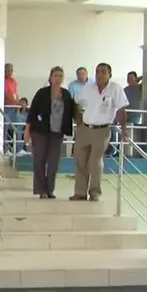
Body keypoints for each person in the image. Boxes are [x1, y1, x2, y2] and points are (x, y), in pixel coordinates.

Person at [71, 62, 129, 201]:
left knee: (95, 162)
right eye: (97, 72)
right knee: (80, 161)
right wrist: (78, 120)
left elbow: (121, 109)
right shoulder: (88, 88)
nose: (99, 75)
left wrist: (124, 128)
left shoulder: (115, 88)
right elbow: (76, 102)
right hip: (85, 128)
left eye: (103, 72)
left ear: (110, 74)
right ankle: (80, 192)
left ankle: (95, 192)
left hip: (102, 130)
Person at [24, 67, 77, 199]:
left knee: (54, 162)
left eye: (60, 76)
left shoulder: (66, 94)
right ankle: (41, 189)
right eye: (56, 75)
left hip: (57, 133)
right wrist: (27, 131)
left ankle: (50, 189)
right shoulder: (42, 93)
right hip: (40, 131)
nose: (58, 78)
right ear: (50, 77)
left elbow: (72, 112)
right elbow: (32, 113)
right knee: (39, 160)